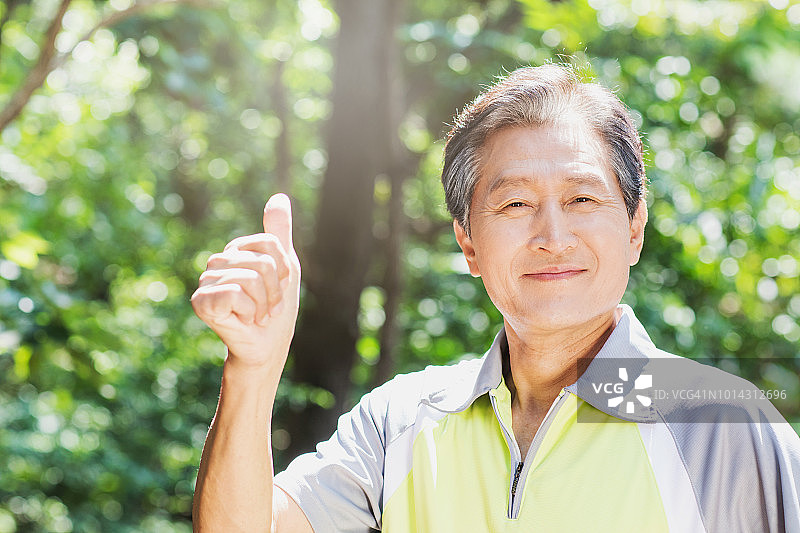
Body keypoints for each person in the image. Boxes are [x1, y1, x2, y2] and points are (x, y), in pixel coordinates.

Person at [190, 64, 800, 532]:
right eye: (515, 204)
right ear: (469, 242)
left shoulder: (725, 428)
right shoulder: (400, 423)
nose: (552, 237)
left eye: (583, 199)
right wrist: (254, 367)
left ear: (634, 227)